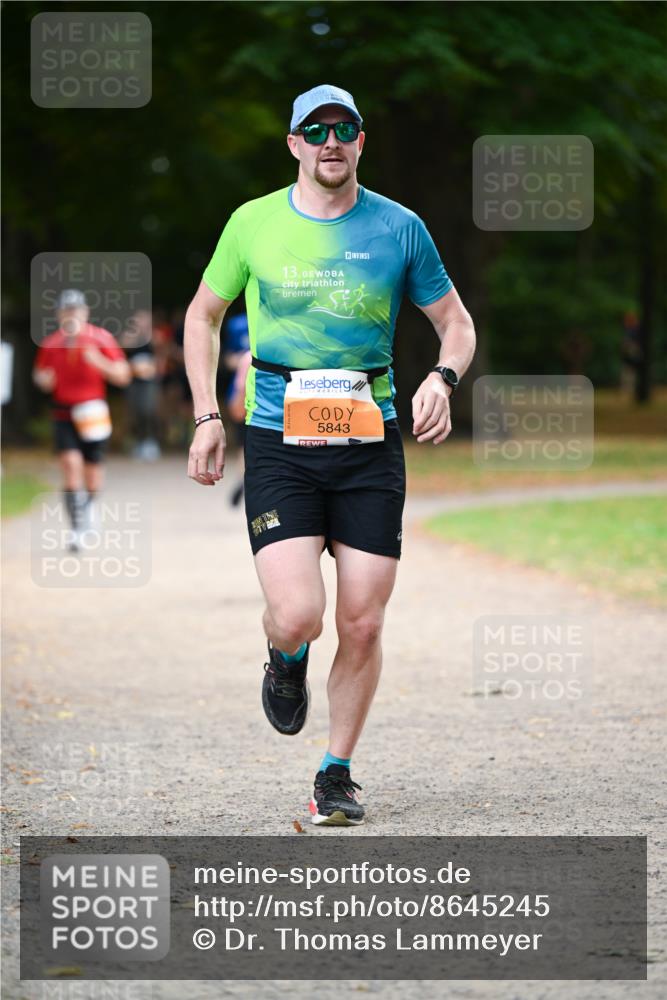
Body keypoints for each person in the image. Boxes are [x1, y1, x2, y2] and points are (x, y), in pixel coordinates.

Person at [184, 84, 476, 826]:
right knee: (297, 615)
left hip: (368, 444)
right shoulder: (252, 223)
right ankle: (285, 658)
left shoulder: (399, 227)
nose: (330, 142)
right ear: (293, 144)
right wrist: (208, 414)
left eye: (343, 129)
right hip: (279, 441)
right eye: (314, 131)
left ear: (360, 141)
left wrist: (442, 379)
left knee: (364, 622)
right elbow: (202, 316)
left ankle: (335, 772)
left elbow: (456, 323)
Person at [33, 289, 131, 549]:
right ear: (59, 314)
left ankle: (90, 511)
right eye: (66, 310)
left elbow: (123, 375)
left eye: (75, 310)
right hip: (64, 412)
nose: (71, 315)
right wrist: (43, 381)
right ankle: (76, 529)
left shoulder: (100, 338)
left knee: (93, 475)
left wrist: (98, 361)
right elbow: (40, 375)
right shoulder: (52, 343)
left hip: (93, 413)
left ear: (85, 313)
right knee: (70, 465)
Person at [119, 309, 161, 461]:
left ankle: (150, 442)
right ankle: (138, 441)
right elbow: (122, 346)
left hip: (149, 380)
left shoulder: (154, 336)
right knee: (134, 411)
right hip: (133, 379)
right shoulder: (131, 335)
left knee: (148, 410)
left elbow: (160, 352)